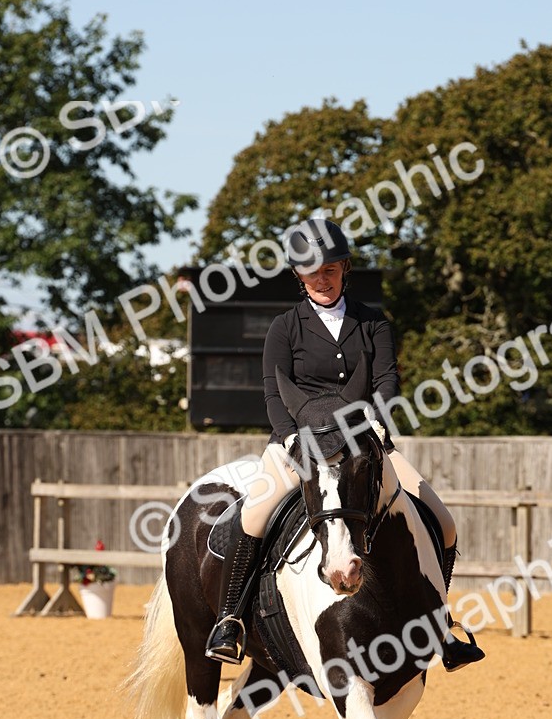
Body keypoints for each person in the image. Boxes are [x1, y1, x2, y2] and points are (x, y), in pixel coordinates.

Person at [205, 217, 484, 673]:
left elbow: (387, 380)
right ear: (299, 276)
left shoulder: (372, 322)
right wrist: (290, 436)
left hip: (363, 444)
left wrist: (376, 423)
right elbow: (274, 393)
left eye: (330, 270)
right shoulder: (284, 327)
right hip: (300, 443)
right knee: (252, 517)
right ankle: (230, 620)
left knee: (444, 523)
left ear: (344, 269)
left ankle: (441, 625)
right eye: (312, 272)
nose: (322, 279)